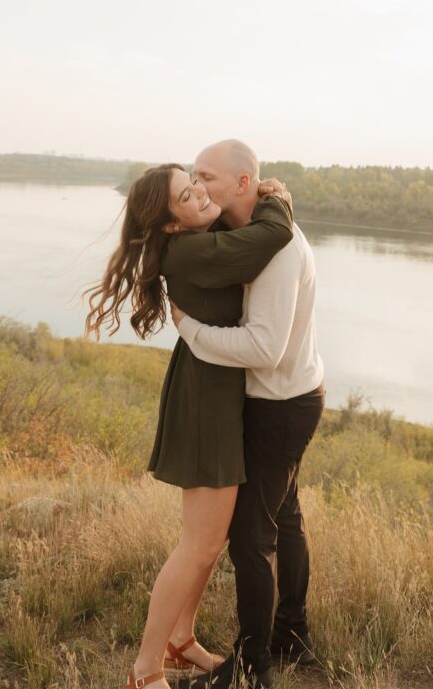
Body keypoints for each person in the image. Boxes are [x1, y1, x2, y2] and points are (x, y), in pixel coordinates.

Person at [82, 162, 294, 689]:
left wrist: (261, 191)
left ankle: (180, 642)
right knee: (199, 543)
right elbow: (272, 235)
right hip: (206, 404)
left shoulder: (205, 235)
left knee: (211, 536)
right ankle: (145, 669)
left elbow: (247, 235)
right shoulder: (192, 251)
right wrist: (276, 200)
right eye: (185, 195)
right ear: (171, 223)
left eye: (196, 183)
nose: (199, 194)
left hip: (215, 395)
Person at [171, 140, 325, 689]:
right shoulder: (254, 229)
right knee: (285, 518)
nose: (197, 183)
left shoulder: (278, 253)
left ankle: (250, 665)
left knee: (250, 538)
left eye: (206, 175)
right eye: (193, 175)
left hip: (281, 403)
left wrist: (190, 329)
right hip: (288, 394)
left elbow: (264, 349)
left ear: (242, 183)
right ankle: (292, 634)